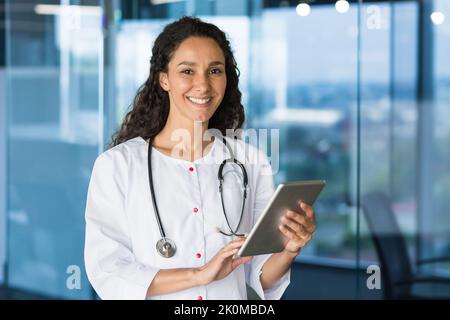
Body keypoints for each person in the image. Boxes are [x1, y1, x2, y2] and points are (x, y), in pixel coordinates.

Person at [84, 16, 316, 300]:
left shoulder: (250, 161)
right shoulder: (117, 166)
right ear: (164, 79)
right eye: (187, 71)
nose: (203, 85)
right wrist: (198, 275)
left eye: (215, 71)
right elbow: (107, 269)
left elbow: (259, 278)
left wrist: (290, 249)